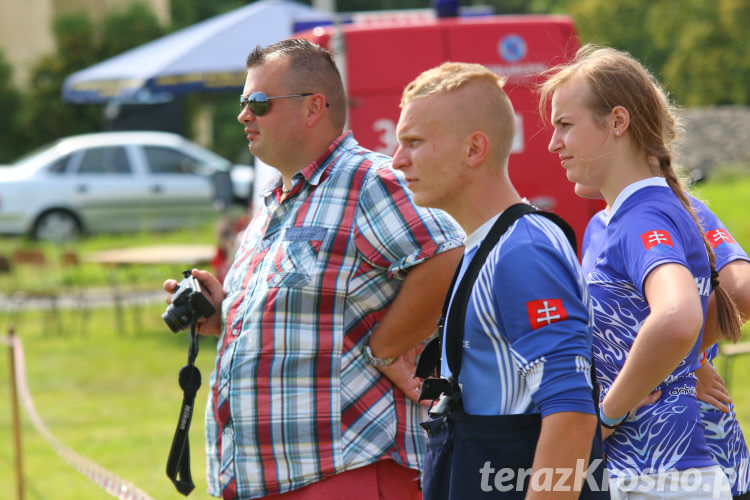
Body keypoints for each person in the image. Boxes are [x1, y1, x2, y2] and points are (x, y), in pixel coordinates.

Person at [164, 39, 464, 499]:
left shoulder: (368, 179)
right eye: (242, 103)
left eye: (258, 103)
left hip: (347, 474)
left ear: (313, 108)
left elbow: (450, 252)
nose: (244, 115)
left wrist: (387, 347)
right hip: (270, 479)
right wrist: (225, 316)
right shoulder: (272, 204)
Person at [393, 61, 606, 499]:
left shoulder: (522, 251)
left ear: (474, 149)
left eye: (413, 143)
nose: (397, 161)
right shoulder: (485, 243)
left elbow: (572, 414)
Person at [540, 44, 743, 498]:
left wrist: (607, 414)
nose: (553, 143)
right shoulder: (613, 219)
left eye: (565, 126)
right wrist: (683, 360)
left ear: (617, 122)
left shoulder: (642, 217)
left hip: (660, 474)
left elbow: (677, 317)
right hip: (644, 471)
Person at [578, 191, 750, 499]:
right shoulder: (597, 224)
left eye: (564, 136)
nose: (555, 144)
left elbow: (741, 289)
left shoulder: (675, 208)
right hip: (626, 460)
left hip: (689, 458)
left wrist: (688, 358)